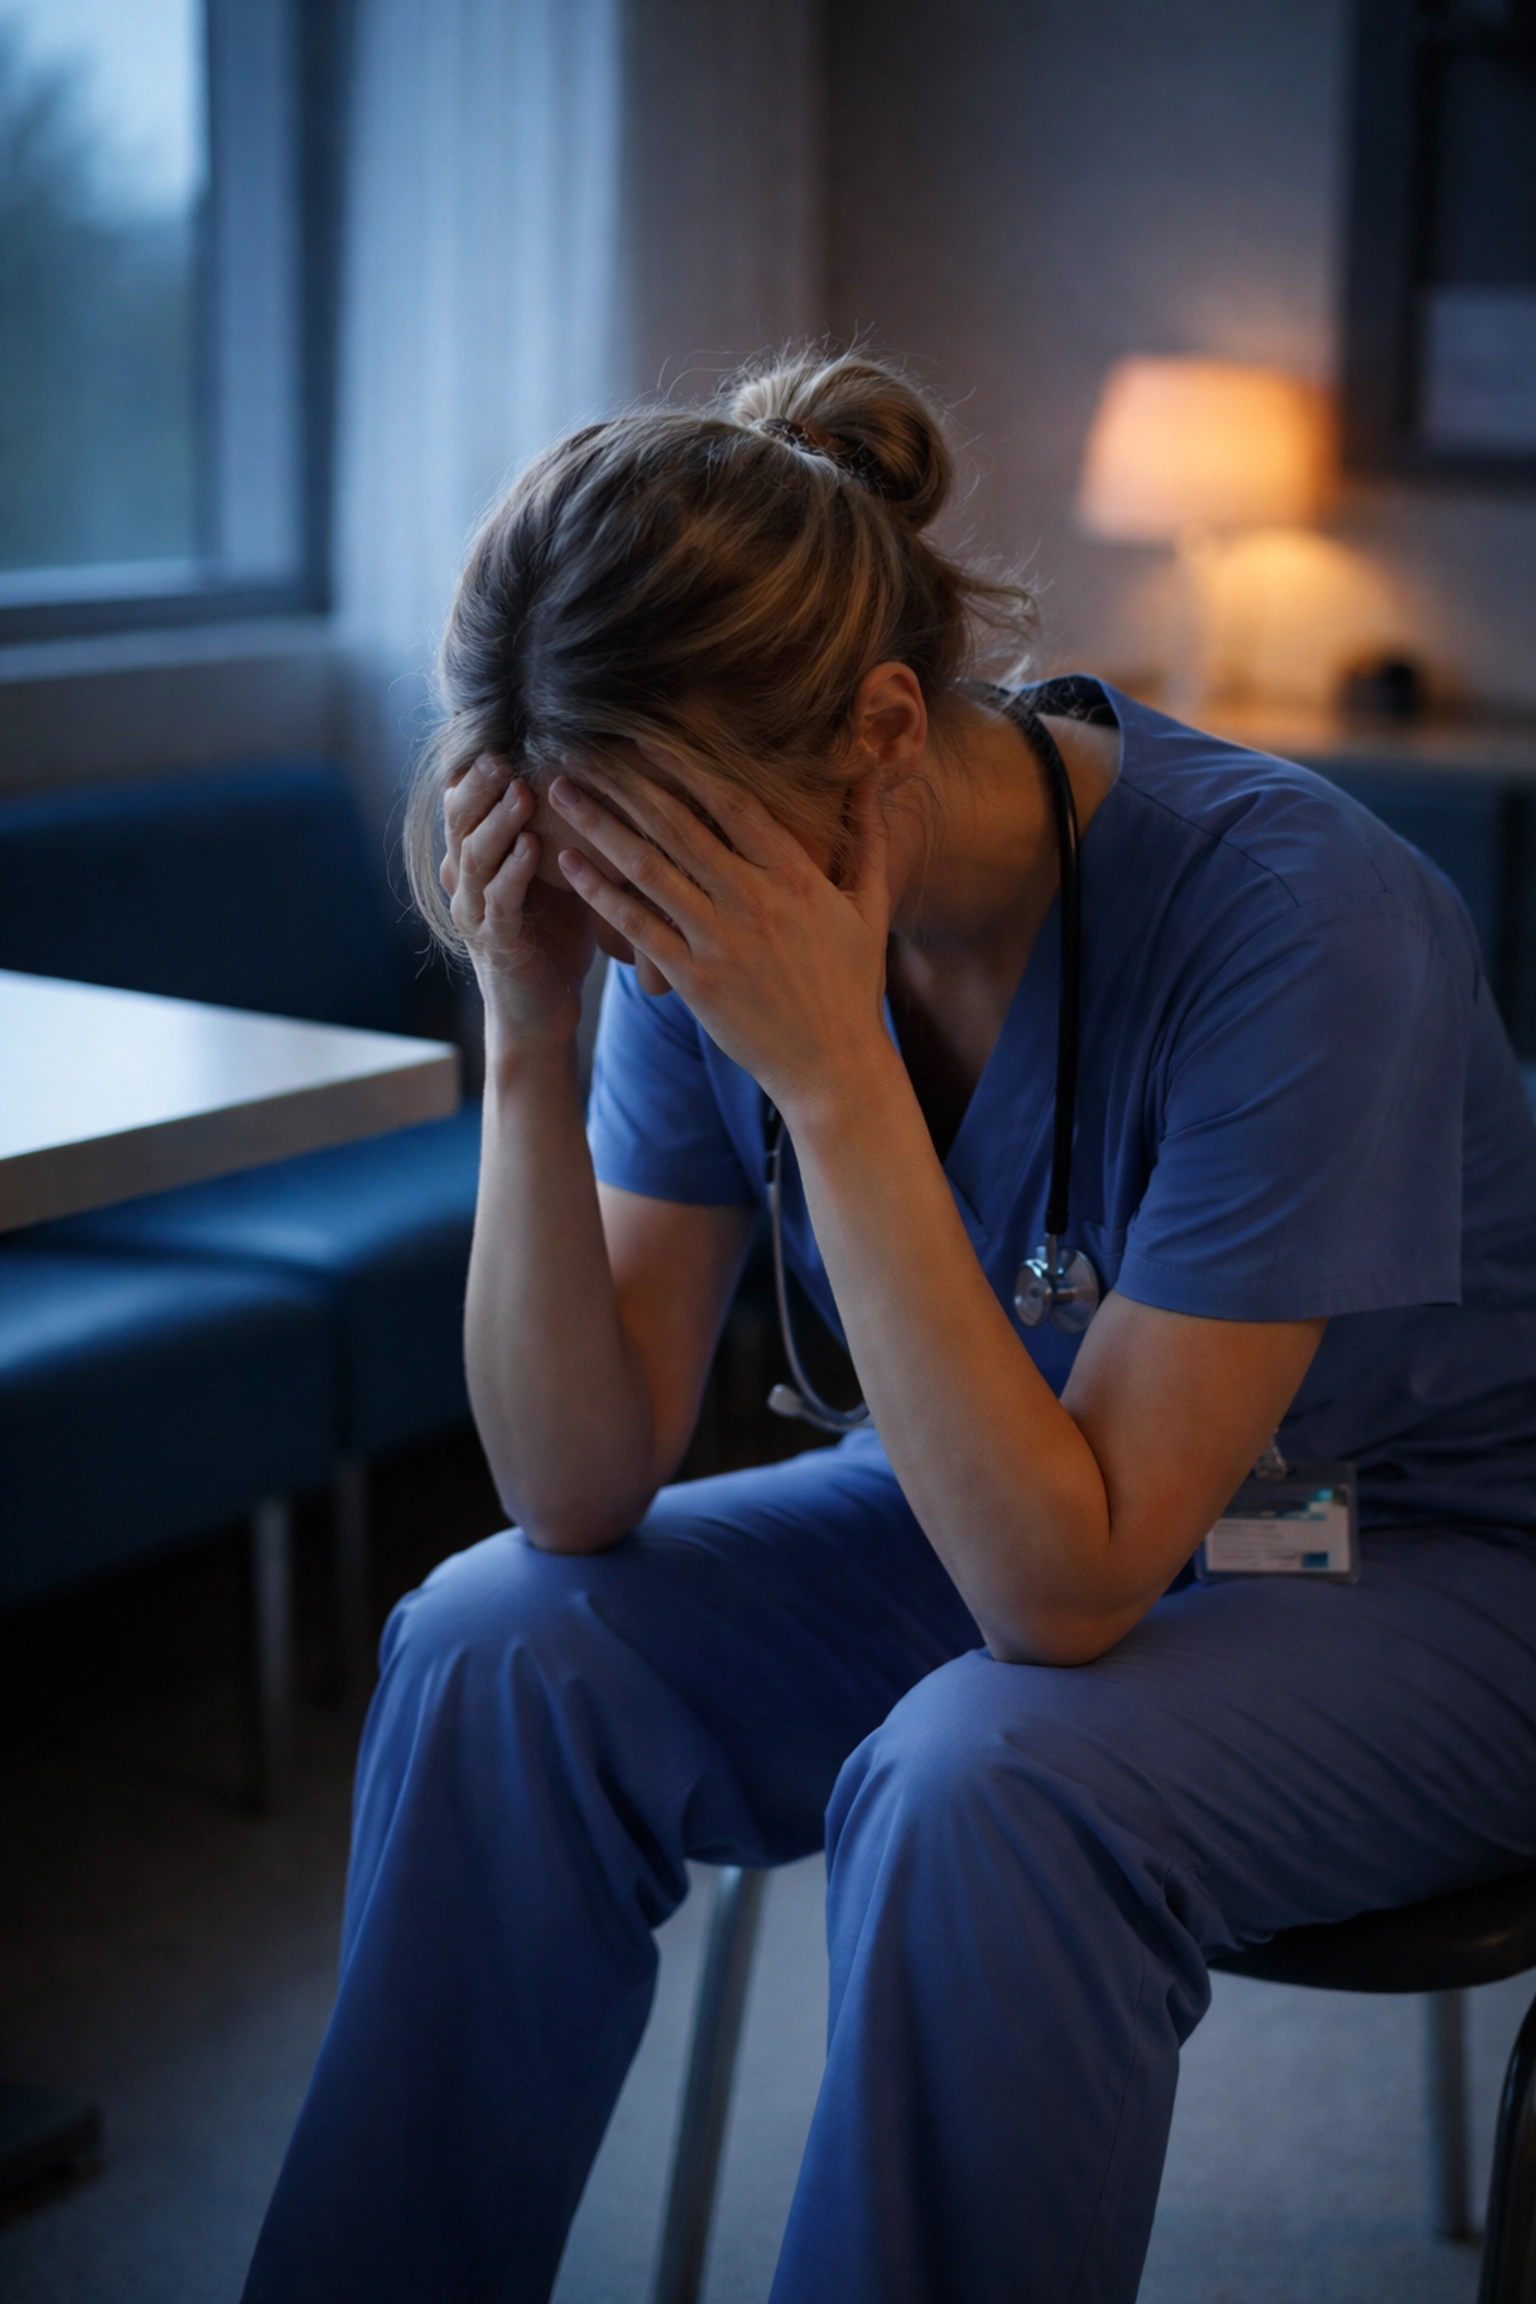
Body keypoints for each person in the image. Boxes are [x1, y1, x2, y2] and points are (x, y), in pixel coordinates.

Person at [243, 352, 1536, 2304]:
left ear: (879, 729)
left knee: (986, 1775)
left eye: (652, 869)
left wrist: (837, 1077)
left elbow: (1062, 1594)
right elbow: (576, 1487)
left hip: (1426, 1551)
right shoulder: (698, 907)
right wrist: (529, 1030)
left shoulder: (1304, 923)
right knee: (493, 1642)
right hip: (1033, 1505)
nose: (639, 923)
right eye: (588, 865)